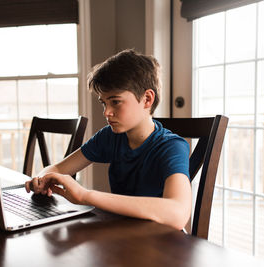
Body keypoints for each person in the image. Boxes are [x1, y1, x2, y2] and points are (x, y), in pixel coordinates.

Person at [25, 49, 191, 230]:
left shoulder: (171, 146)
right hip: (123, 234)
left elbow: (178, 213)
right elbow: (58, 168)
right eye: (104, 103)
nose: (106, 112)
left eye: (115, 102)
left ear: (147, 99)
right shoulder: (110, 137)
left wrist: (85, 196)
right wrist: (41, 179)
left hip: (163, 244)